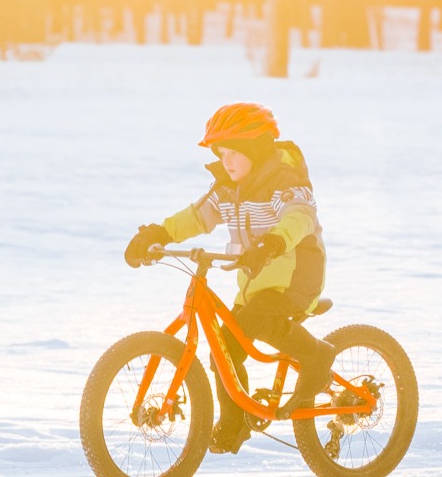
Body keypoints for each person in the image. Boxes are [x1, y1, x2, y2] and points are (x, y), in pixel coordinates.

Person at [123, 102, 334, 453]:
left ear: (255, 149)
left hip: (297, 275)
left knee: (257, 318)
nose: (226, 162)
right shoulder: (228, 189)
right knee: (225, 347)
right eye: (221, 154)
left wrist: (272, 242)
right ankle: (235, 421)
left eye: (233, 153)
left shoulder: (285, 182)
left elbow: (300, 217)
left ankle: (316, 357)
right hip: (255, 280)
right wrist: (156, 234)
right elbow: (195, 217)